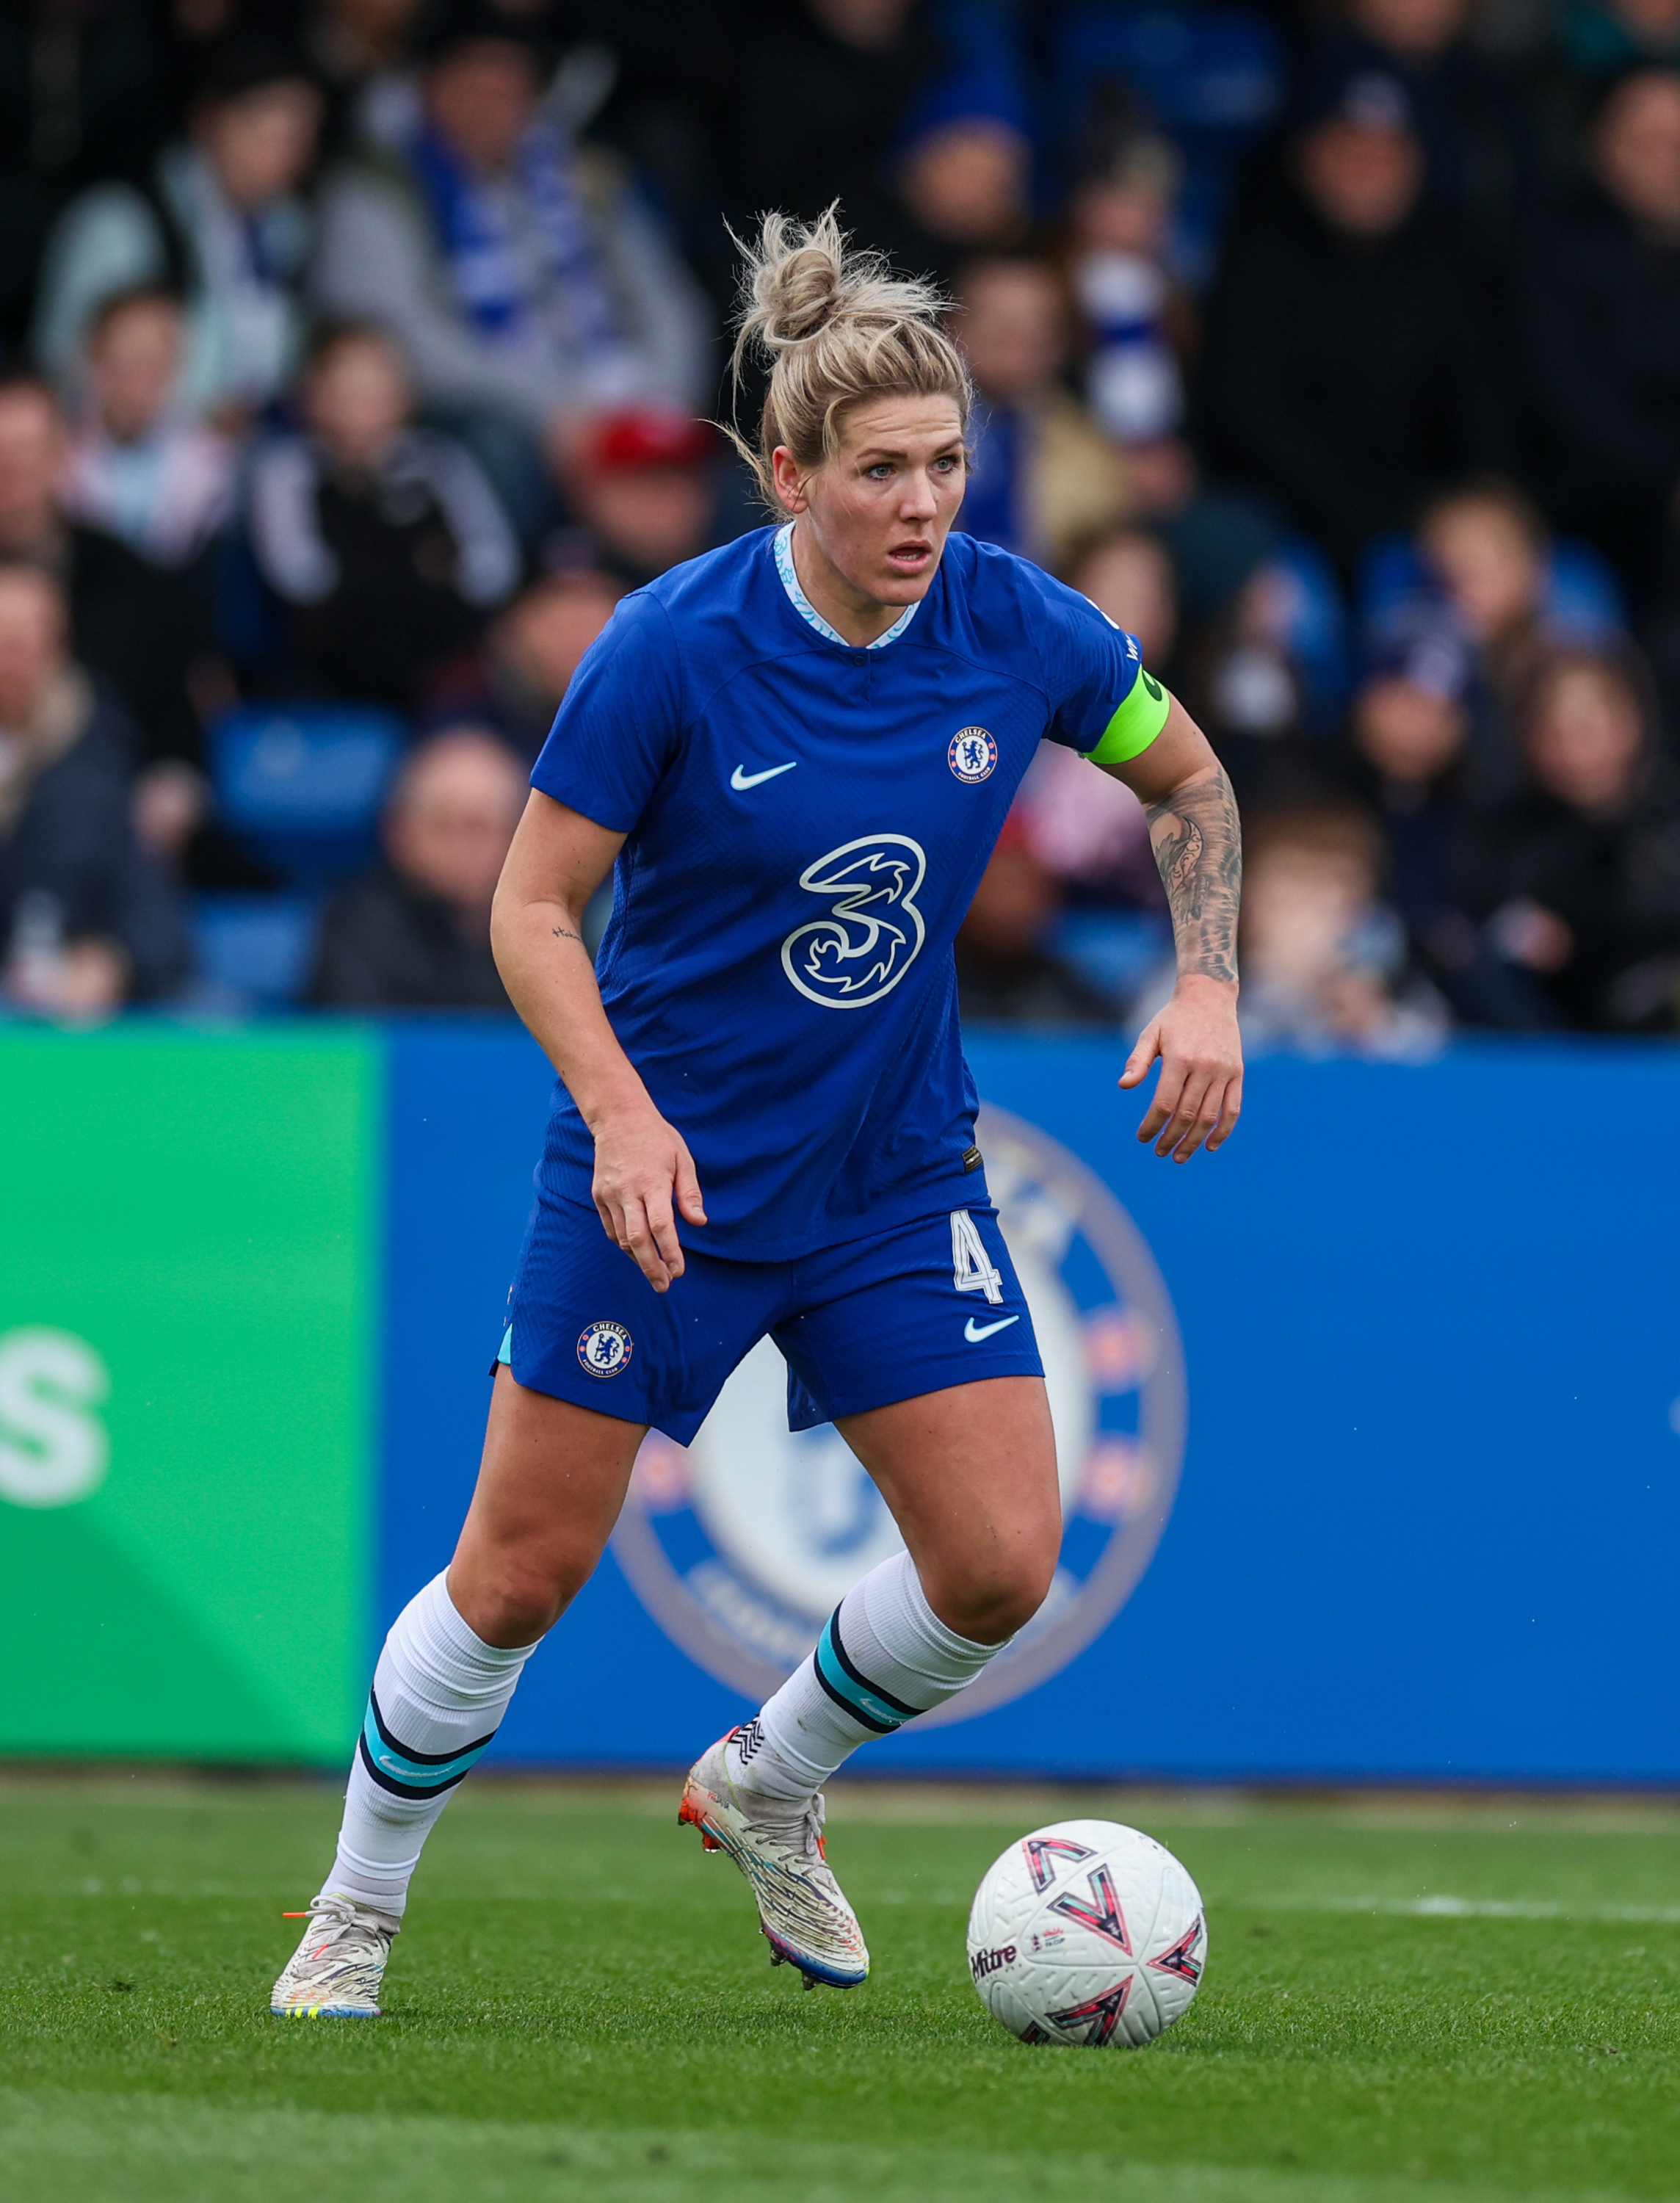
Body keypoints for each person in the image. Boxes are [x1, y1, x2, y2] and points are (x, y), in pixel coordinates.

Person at [269, 209, 1244, 2019]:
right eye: (880, 470)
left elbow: (1187, 778)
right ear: (785, 472)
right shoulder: (669, 645)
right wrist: (622, 1118)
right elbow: (528, 908)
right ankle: (354, 1909)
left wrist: (1204, 978)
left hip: (886, 1170)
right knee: (512, 1577)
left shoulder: (1009, 621)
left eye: (947, 463)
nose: (921, 502)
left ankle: (771, 1776)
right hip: (664, 1171)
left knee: (995, 1561)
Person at [309, 11, 710, 540]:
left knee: (732, 471)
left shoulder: (584, 172)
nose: (490, 107)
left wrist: (657, 406)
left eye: (508, 89)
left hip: (620, 394)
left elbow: (667, 299)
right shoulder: (380, 183)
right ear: (429, 86)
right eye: (471, 86)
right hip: (497, 409)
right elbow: (394, 339)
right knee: (496, 452)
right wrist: (555, 415)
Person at [1200, 68, 1507, 579]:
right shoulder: (1256, 256)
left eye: (1386, 154)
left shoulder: (1454, 263)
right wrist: (1354, 512)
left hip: (1422, 520)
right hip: (1283, 518)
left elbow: (1484, 410)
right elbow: (1245, 411)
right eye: (1348, 151)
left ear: (1417, 164)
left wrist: (1467, 503)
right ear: (1306, 159)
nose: (1367, 170)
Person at [32, 35, 324, 426]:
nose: (276, 157)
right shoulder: (120, 219)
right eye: (261, 133)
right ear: (206, 121)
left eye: (294, 141)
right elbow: (63, 366)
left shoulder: (289, 232)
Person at [246, 322, 518, 712]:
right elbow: (303, 581)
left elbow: (491, 572)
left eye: (372, 392)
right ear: (309, 398)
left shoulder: (441, 462)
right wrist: (419, 563)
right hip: (331, 676)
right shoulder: (286, 471)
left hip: (444, 666)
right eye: (342, 393)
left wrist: (374, 566)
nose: (356, 411)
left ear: (403, 396)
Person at [1518, 67, 1680, 608]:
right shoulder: (1548, 249)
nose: (1666, 158)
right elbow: (1571, 404)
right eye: (1646, 140)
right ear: (1599, 145)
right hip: (1589, 510)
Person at [0, 562, 188, 1018]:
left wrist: (111, 963)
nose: (9, 661)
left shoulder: (95, 772)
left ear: (56, 650)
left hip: (47, 1037)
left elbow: (158, 929)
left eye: (23, 644)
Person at [1460, 648, 1680, 1027]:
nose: (1573, 752)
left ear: (1630, 724)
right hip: (1547, 1037)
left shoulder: (1667, 819)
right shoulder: (1503, 831)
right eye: (1554, 732)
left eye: (1587, 730)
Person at [309, 726, 526, 1010]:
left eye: (481, 827)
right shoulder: (355, 934)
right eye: (444, 825)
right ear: (398, 831)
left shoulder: (553, 934)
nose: (465, 848)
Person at [955, 255, 1132, 571]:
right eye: (995, 319)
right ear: (951, 327)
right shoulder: (896, 423)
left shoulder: (1085, 441)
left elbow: (1092, 526)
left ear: (1058, 345)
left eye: (1031, 322)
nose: (1010, 337)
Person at [1238, 800, 1446, 1056]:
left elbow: (1432, 1057)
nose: (1312, 906)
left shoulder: (1402, 986)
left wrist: (1368, 1021)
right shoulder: (1194, 976)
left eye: (1333, 882)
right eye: (1294, 881)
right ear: (1248, 898)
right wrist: (1282, 982)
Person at [61, 288, 235, 571]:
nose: (138, 378)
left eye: (152, 361)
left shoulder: (217, 462)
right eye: (124, 360)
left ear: (177, 364)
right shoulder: (56, 457)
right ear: (93, 357)